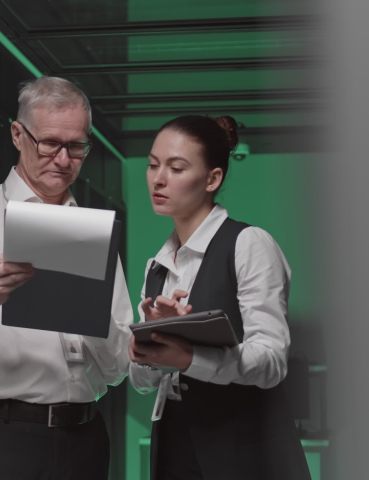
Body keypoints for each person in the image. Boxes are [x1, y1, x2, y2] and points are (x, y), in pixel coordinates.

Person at [0, 76, 132, 480]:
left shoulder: (93, 232)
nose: (63, 160)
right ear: (18, 134)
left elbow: (119, 368)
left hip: (84, 441)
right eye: (49, 143)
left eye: (76, 147)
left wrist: (90, 313)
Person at [128, 115, 311, 480]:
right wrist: (147, 346)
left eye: (176, 168)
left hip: (244, 447)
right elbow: (142, 384)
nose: (158, 179)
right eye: (152, 165)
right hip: (173, 442)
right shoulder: (157, 267)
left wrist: (190, 356)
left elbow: (272, 361)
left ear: (213, 179)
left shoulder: (248, 244)